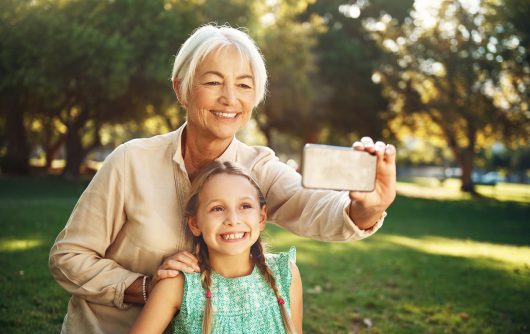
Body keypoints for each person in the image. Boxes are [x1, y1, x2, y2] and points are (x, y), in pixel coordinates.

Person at [49, 24, 396, 333]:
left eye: (244, 85)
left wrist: (368, 206)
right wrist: (144, 287)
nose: (230, 98)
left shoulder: (257, 167)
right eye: (214, 81)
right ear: (181, 88)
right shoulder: (130, 161)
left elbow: (316, 208)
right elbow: (68, 258)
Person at [129, 161, 303, 334]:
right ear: (195, 223)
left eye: (245, 206)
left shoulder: (285, 274)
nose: (233, 219)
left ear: (261, 217)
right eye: (217, 209)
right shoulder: (178, 285)